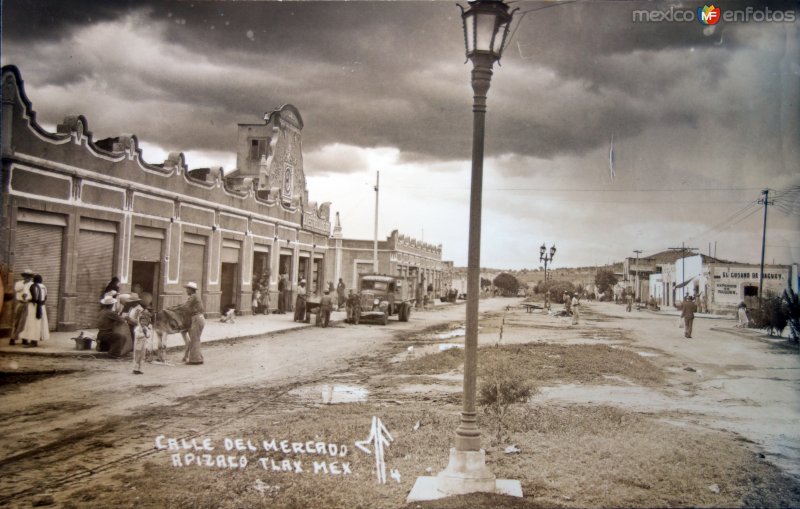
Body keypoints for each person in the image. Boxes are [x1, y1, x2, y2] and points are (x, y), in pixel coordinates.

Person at [175, 282, 204, 364]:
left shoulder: (193, 296)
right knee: (196, 339)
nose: (186, 291)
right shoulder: (195, 296)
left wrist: (176, 308)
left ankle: (195, 360)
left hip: (197, 318)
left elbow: (186, 306)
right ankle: (199, 357)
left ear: (191, 290)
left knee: (194, 339)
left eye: (187, 289)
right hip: (199, 318)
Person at [19, 274, 49, 347]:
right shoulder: (44, 287)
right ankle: (34, 339)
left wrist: (27, 299)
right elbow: (45, 297)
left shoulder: (32, 286)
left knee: (33, 323)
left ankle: (33, 341)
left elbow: (28, 297)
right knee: (39, 323)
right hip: (42, 306)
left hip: (34, 306)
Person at [10, 269, 34, 346]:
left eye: (29, 276)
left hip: (28, 304)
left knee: (26, 322)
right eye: (25, 275)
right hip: (20, 303)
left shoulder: (32, 284)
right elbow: (17, 289)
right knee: (17, 321)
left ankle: (24, 339)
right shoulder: (19, 283)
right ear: (23, 276)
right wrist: (24, 283)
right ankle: (13, 338)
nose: (27, 277)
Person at [132, 310, 153, 375]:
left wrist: (146, 333)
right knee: (137, 357)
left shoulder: (146, 328)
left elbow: (148, 335)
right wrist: (144, 334)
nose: (143, 323)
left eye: (145, 322)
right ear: (140, 321)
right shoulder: (137, 328)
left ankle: (139, 369)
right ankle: (135, 369)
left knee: (142, 357)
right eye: (142, 321)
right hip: (138, 344)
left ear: (147, 322)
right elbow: (137, 335)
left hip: (143, 345)